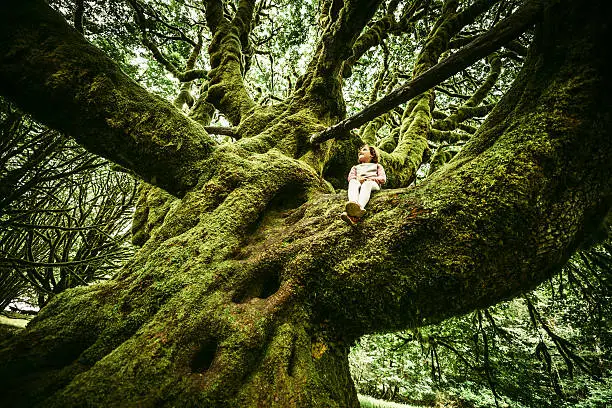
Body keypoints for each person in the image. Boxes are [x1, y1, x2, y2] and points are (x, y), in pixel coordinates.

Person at [341, 144, 386, 226]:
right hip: (359, 183)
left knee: (366, 184)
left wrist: (370, 179)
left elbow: (382, 179)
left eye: (364, 150)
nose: (360, 152)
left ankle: (360, 207)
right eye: (360, 151)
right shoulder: (355, 167)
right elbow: (350, 178)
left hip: (372, 184)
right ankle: (353, 205)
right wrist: (357, 179)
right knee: (353, 182)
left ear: (372, 155)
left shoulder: (377, 166)